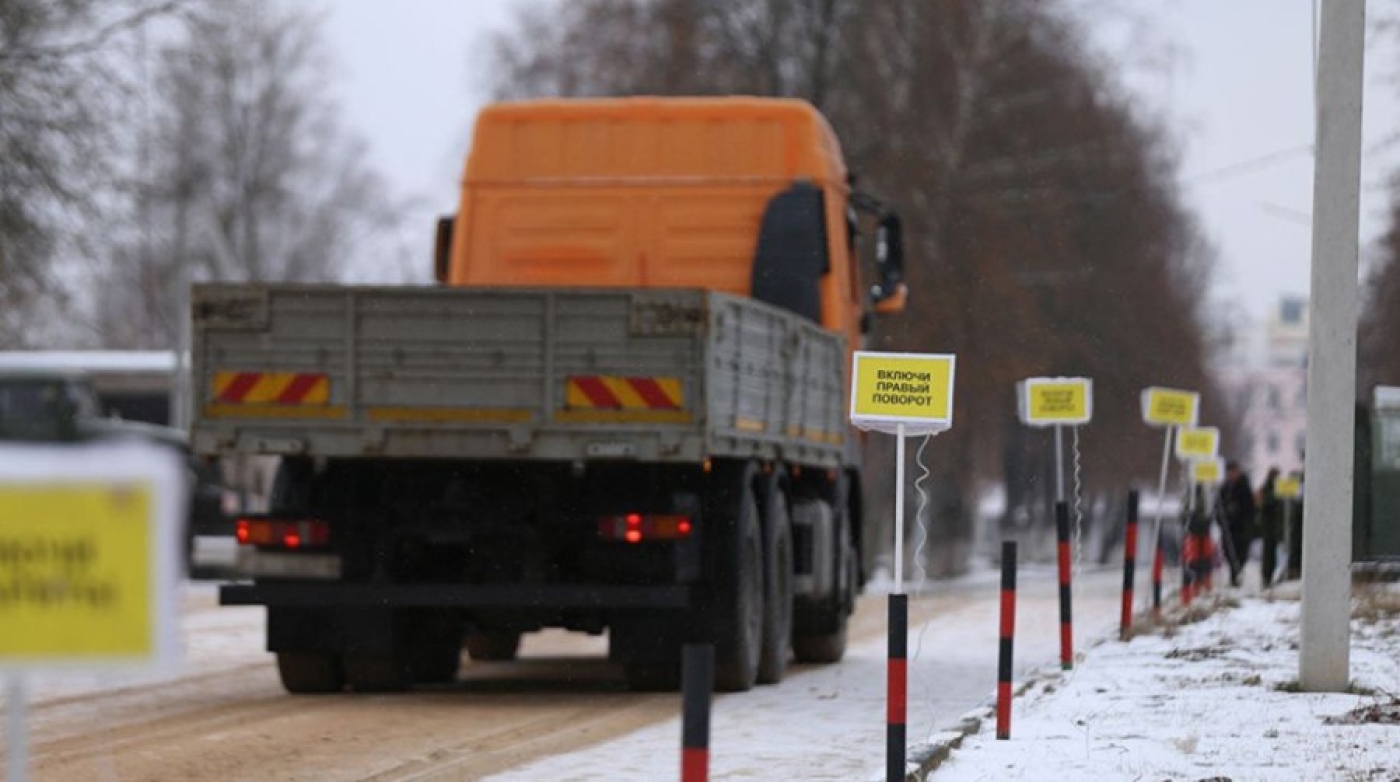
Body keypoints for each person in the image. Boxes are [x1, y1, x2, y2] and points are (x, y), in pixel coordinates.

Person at [1217, 460, 1257, 587]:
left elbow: (1249, 507)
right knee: (1228, 551)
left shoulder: (1244, 486)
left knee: (1241, 552)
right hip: (1229, 528)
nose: (1231, 475)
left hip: (1242, 527)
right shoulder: (1224, 488)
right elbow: (1219, 507)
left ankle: (1237, 574)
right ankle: (1234, 574)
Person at [1257, 467, 1283, 588]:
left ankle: (1271, 576)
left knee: (1275, 554)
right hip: (1269, 528)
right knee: (1268, 554)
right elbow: (1265, 505)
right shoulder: (1267, 489)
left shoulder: (1278, 489)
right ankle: (1266, 577)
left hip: (1275, 527)